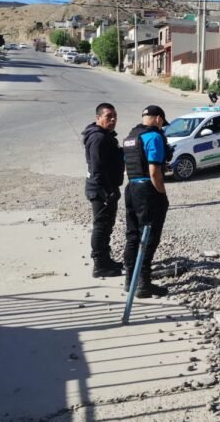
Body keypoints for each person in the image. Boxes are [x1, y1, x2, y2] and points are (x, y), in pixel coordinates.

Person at [122, 105, 171, 298]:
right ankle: (143, 284)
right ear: (158, 119)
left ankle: (130, 280)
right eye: (162, 123)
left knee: (132, 234)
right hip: (147, 190)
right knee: (149, 236)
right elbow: (154, 171)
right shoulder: (154, 137)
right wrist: (161, 193)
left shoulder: (130, 137)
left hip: (131, 188)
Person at [82, 103, 125, 278]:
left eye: (114, 116)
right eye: (108, 116)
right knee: (101, 227)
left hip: (105, 188)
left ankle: (106, 260)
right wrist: (107, 193)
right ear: (98, 118)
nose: (113, 119)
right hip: (101, 190)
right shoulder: (98, 138)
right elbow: (97, 169)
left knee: (107, 226)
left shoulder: (104, 136)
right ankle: (99, 265)